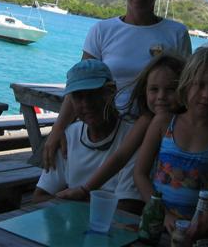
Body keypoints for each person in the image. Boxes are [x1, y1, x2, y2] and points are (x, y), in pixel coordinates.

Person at [44, 0, 192, 169]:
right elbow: (80, 85)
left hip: (156, 134)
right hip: (105, 130)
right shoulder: (102, 30)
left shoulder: (176, 34)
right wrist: (58, 129)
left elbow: (186, 91)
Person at [134, 46, 208, 240]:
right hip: (155, 228)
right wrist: (163, 214)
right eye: (200, 85)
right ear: (186, 85)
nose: (206, 94)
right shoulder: (163, 123)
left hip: (199, 239)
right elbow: (140, 174)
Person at [55, 52, 186, 201]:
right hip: (159, 203)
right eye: (154, 89)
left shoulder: (189, 123)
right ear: (145, 90)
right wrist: (85, 189)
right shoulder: (146, 121)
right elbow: (120, 158)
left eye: (171, 89)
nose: (161, 96)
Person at [32, 59, 143, 214]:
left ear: (111, 91)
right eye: (78, 96)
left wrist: (73, 200)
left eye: (93, 94)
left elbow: (129, 207)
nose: (86, 104)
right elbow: (39, 196)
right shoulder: (68, 137)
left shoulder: (133, 139)